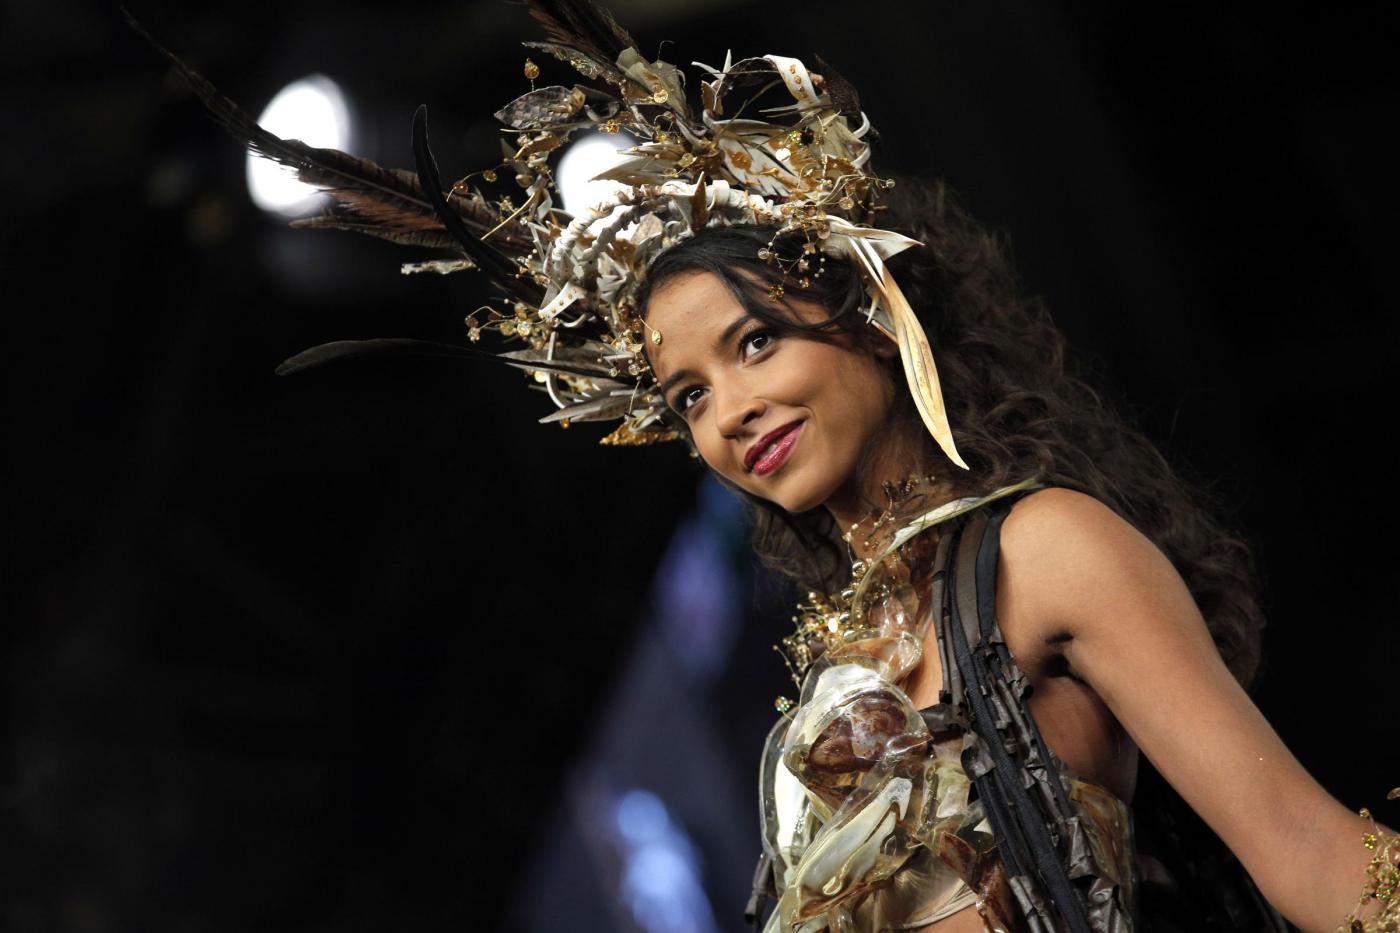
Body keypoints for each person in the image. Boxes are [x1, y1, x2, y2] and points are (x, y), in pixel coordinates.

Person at [133, 1, 1396, 929]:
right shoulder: (841, 654)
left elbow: (1308, 857)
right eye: (688, 393)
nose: (730, 411)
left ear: (865, 314)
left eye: (753, 343)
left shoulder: (1042, 550)